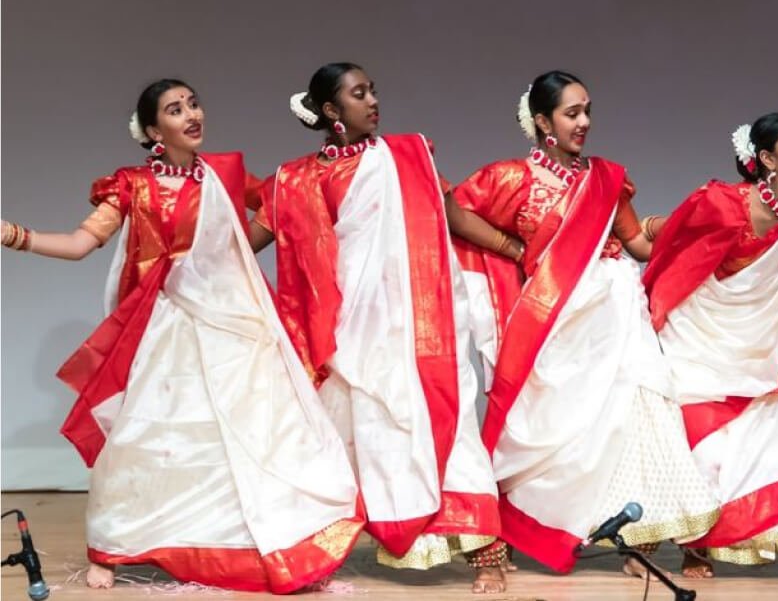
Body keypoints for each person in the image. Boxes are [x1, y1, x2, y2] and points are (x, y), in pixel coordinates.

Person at [1, 79, 363, 592]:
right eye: (175, 110)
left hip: (232, 324)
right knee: (152, 437)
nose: (192, 114)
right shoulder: (132, 184)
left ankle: (249, 542)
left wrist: (231, 256)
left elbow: (282, 210)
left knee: (255, 433)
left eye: (193, 103)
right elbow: (82, 243)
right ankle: (118, 546)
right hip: (167, 329)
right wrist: (14, 234)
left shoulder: (224, 175)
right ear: (153, 130)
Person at [251, 63, 509, 593]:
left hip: (421, 327)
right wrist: (187, 256)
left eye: (373, 91)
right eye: (359, 93)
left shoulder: (406, 156)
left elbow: (452, 215)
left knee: (447, 425)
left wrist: (516, 250)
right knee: (350, 437)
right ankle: (319, 552)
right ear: (330, 111)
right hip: (347, 333)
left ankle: (487, 555)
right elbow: (250, 239)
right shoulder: (297, 180)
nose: (373, 101)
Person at [453, 70, 719, 576]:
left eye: (587, 111)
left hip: (615, 308)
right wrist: (511, 248)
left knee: (635, 413)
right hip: (557, 316)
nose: (585, 122)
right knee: (552, 427)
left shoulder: (606, 178)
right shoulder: (513, 177)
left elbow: (636, 244)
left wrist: (670, 226)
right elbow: (456, 212)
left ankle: (637, 540)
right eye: (572, 113)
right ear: (542, 121)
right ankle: (518, 528)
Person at [643, 113, 778, 577]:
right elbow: (670, 247)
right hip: (705, 342)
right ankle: (695, 545)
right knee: (711, 452)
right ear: (765, 158)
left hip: (765, 355)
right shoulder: (720, 203)